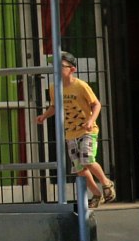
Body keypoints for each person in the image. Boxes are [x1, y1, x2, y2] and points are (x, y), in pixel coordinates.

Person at [36, 52, 115, 207]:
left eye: (61, 67)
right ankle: (96, 194)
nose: (57, 70)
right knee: (79, 168)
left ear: (72, 69)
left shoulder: (81, 86)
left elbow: (96, 104)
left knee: (87, 159)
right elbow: (54, 106)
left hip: (87, 130)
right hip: (70, 132)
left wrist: (91, 121)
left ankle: (106, 183)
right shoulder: (54, 88)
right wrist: (44, 115)